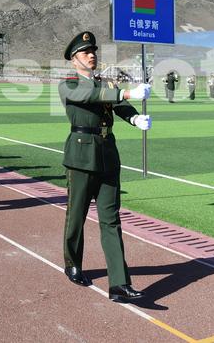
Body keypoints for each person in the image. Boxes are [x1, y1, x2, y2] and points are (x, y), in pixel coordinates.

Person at [57, 31, 150, 303]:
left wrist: (134, 119)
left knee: (111, 220)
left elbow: (119, 104)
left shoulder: (105, 83)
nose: (92, 55)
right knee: (77, 215)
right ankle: (73, 262)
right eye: (86, 52)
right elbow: (92, 96)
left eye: (93, 51)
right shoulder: (70, 84)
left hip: (108, 154)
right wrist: (126, 91)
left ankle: (119, 284)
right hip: (81, 155)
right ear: (74, 59)